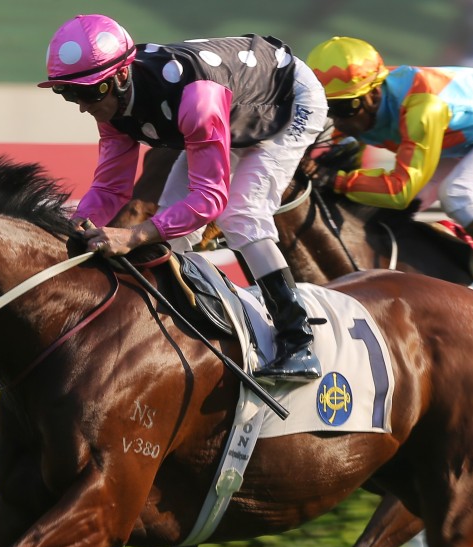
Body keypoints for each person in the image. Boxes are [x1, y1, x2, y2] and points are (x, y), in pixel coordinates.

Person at [40, 15, 327, 382]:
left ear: (122, 76)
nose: (82, 105)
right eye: (68, 93)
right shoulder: (111, 100)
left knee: (241, 214)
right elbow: (111, 189)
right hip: (229, 109)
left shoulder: (195, 97)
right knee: (170, 232)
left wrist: (132, 236)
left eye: (88, 92)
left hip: (285, 98)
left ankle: (298, 340)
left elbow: (209, 201)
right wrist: (76, 225)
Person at [305, 36, 473, 302]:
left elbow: (399, 190)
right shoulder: (359, 106)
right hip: (453, 139)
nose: (336, 120)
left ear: (373, 93)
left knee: (458, 194)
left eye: (343, 107)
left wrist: (334, 179)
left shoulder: (423, 107)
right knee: (388, 212)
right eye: (327, 108)